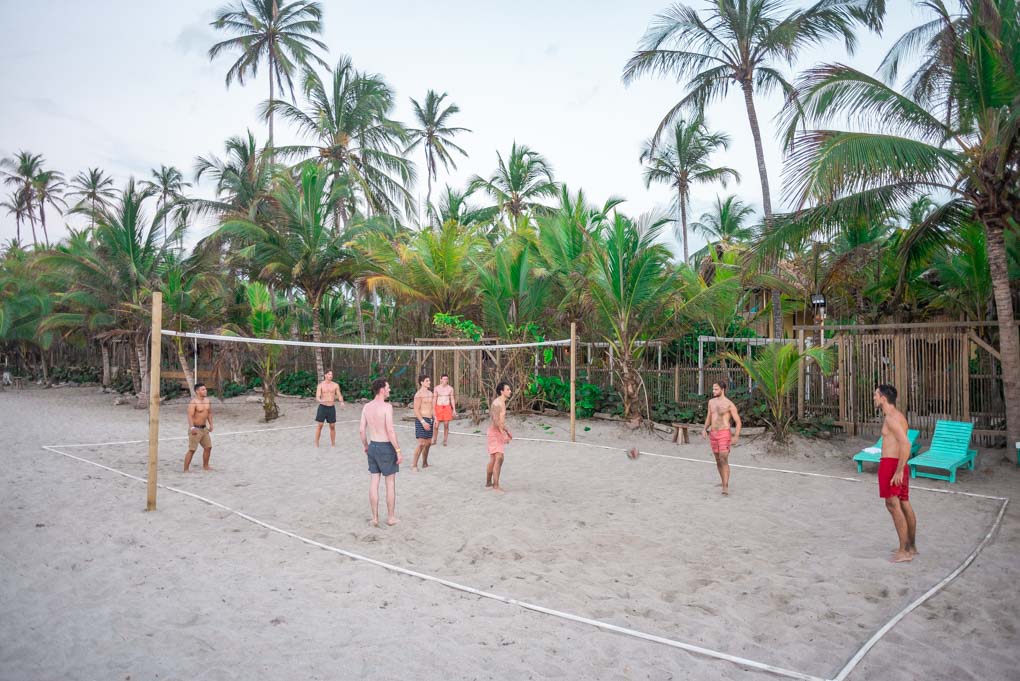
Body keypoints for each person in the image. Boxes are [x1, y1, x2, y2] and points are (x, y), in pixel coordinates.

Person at [874, 384, 918, 563]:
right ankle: (911, 546)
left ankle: (904, 551)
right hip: (898, 463)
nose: (874, 398)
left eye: (876, 395)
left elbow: (906, 444)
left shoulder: (892, 418)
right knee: (904, 503)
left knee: (893, 506)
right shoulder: (898, 416)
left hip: (892, 465)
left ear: (884, 397)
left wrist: (899, 470)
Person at [359, 378, 403, 527]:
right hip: (385, 446)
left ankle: (375, 518)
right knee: (390, 483)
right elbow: (390, 430)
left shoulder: (366, 407)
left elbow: (361, 431)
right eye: (388, 388)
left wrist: (366, 445)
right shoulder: (387, 407)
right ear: (382, 389)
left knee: (374, 481)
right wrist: (398, 450)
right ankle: (391, 518)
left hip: (373, 445)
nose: (389, 390)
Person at [702, 381, 741, 495]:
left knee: (723, 458)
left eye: (716, 389)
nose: (713, 391)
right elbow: (709, 416)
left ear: (722, 389)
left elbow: (738, 422)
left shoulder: (729, 404)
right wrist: (704, 429)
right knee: (718, 460)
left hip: (724, 433)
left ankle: (725, 486)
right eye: (713, 389)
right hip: (713, 433)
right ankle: (723, 480)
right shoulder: (711, 402)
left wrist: (736, 436)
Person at [486, 382, 513, 491]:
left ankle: (488, 482)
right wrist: (502, 434)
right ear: (502, 391)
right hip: (494, 433)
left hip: (497, 431)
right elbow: (495, 420)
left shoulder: (502, 402)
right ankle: (495, 485)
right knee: (499, 457)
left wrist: (506, 430)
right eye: (508, 389)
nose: (510, 391)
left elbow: (500, 421)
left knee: (494, 458)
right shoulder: (498, 403)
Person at [184, 383, 214, 472]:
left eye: (205, 389)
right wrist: (192, 428)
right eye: (203, 389)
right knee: (192, 450)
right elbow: (189, 416)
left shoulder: (207, 400)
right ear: (197, 391)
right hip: (195, 429)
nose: (205, 391)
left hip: (204, 429)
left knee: (208, 447)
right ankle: (186, 469)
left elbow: (209, 413)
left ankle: (206, 466)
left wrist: (211, 424)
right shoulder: (193, 402)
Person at [314, 369, 345, 447]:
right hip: (322, 407)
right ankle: (316, 443)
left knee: (332, 426)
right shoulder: (320, 385)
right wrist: (320, 400)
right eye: (329, 374)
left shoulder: (335, 385)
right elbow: (317, 397)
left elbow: (339, 395)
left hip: (331, 407)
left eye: (331, 374)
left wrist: (341, 401)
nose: (331, 376)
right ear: (325, 375)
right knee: (320, 425)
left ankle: (333, 444)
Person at [412, 374, 435, 470]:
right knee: (421, 443)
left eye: (429, 380)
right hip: (421, 420)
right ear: (422, 382)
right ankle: (414, 465)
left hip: (430, 419)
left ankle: (425, 463)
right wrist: (423, 422)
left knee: (428, 443)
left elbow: (433, 408)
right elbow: (416, 410)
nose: (429, 382)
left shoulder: (430, 393)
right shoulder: (418, 394)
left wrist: (436, 418)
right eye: (427, 381)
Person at [432, 373, 457, 446]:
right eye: (444, 379)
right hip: (438, 407)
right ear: (441, 380)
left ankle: (445, 440)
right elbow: (434, 399)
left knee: (446, 425)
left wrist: (454, 409)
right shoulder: (436, 388)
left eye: (446, 379)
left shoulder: (450, 388)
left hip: (447, 407)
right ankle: (434, 440)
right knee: (436, 425)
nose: (445, 380)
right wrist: (433, 409)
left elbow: (452, 399)